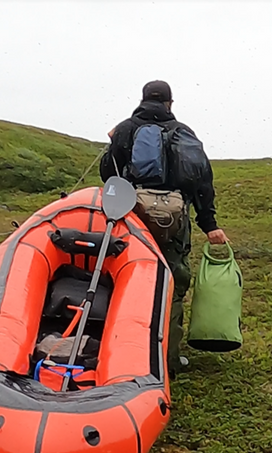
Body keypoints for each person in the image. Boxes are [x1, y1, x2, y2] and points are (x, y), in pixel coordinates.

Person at [99, 80, 228, 377]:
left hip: (132, 217)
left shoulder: (125, 129)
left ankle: (121, 358)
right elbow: (202, 181)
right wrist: (209, 224)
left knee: (124, 280)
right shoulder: (184, 132)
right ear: (170, 103)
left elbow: (109, 175)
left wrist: (112, 146)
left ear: (143, 99)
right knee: (172, 284)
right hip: (175, 219)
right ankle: (167, 360)